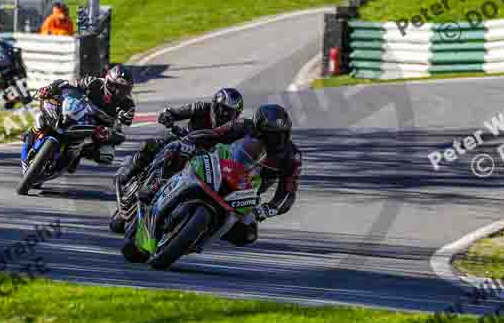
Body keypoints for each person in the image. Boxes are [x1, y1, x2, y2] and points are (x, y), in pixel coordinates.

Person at [122, 103, 302, 259]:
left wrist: (269, 208)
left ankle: (193, 238)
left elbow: (288, 191)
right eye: (272, 135)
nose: (277, 140)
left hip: (246, 192)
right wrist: (190, 141)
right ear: (258, 129)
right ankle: (156, 186)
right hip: (221, 167)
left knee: (248, 235)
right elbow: (214, 134)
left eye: (282, 134)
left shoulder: (292, 156)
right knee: (178, 149)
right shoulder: (242, 126)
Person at [114, 87, 244, 197]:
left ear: (236, 116)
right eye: (222, 110)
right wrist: (167, 116)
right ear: (214, 104)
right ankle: (136, 174)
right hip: (182, 141)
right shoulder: (200, 108)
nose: (224, 115)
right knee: (152, 144)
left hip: (207, 161)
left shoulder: (235, 130)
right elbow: (174, 112)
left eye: (230, 113)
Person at [30, 64, 135, 167]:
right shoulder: (93, 82)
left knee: (107, 155)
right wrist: (50, 88)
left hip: (97, 130)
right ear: (108, 82)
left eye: (124, 89)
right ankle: (33, 134)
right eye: (116, 87)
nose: (118, 92)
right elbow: (67, 83)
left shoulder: (128, 106)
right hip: (80, 115)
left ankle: (77, 155)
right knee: (41, 115)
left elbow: (121, 134)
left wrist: (110, 134)